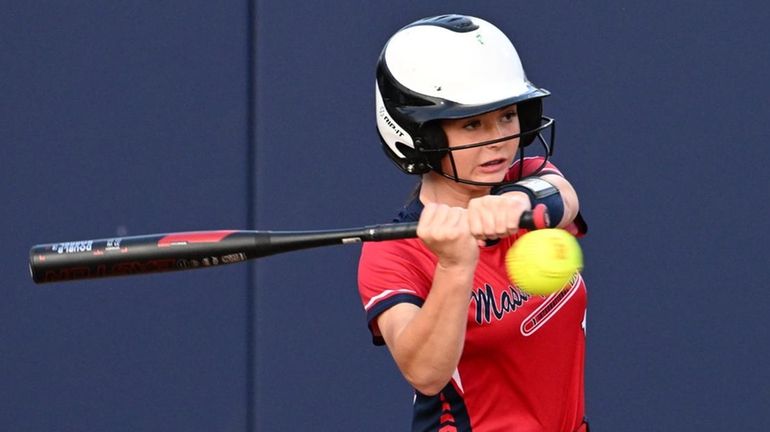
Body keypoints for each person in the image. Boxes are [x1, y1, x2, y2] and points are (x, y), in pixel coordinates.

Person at [357, 14, 589, 432]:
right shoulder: (393, 253)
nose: (500, 137)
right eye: (472, 124)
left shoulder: (526, 177)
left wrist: (517, 200)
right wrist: (453, 266)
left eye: (507, 116)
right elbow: (424, 373)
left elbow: (564, 198)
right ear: (420, 136)